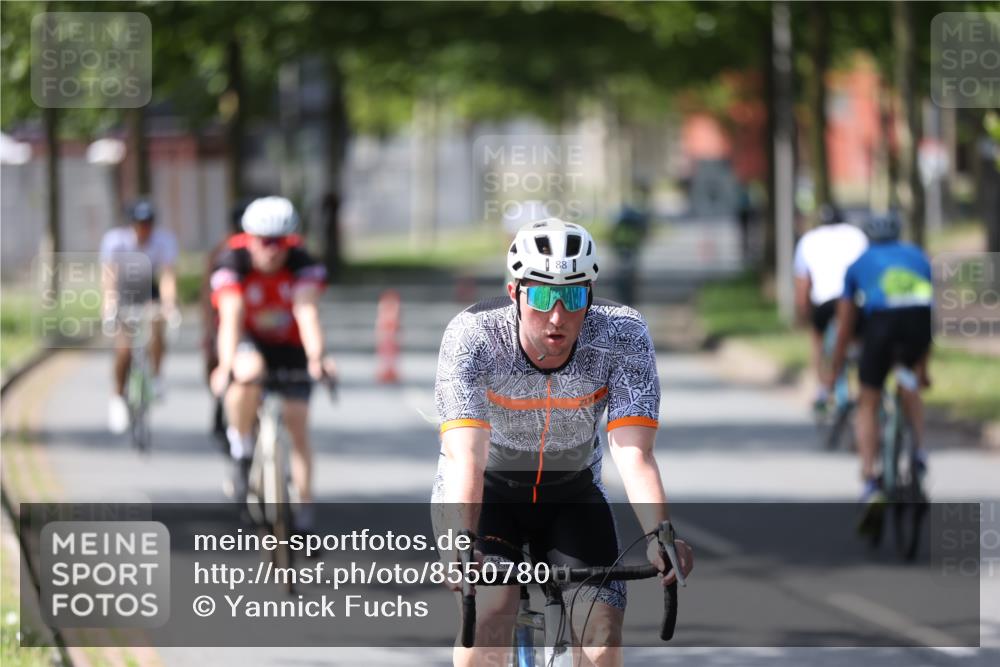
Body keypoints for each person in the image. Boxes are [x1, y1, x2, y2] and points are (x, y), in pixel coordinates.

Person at [432, 218, 693, 667]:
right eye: (541, 296)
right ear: (514, 292)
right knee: (492, 613)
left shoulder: (622, 335)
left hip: (572, 495)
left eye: (572, 297)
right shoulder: (473, 336)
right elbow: (465, 458)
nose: (557, 316)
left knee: (602, 635)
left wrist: (659, 533)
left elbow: (634, 452)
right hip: (488, 495)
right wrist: (462, 539)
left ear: (590, 294)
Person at [208, 196, 335, 533]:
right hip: (250, 339)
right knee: (247, 373)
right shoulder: (231, 262)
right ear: (249, 238)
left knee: (297, 422)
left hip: (291, 344)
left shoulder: (302, 262)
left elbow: (307, 312)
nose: (273, 250)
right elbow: (231, 317)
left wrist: (317, 358)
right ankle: (242, 447)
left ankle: (304, 511)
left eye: (280, 242)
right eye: (264, 242)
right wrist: (225, 366)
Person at [828, 211, 933, 505]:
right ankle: (919, 452)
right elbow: (930, 311)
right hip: (918, 325)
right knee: (910, 382)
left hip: (882, 326)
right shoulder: (919, 257)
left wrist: (836, 365)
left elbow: (845, 325)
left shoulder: (858, 264)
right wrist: (924, 369)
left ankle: (869, 477)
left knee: (868, 401)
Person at [100, 198, 179, 434]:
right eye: (140, 223)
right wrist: (109, 305)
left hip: (148, 291)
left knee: (156, 325)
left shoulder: (163, 241)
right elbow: (109, 276)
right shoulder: (115, 241)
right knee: (123, 349)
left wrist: (169, 305)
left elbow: (167, 276)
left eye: (148, 223)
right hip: (124, 292)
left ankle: (156, 376)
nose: (144, 228)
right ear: (131, 224)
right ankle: (117, 396)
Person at [793, 203, 868, 412]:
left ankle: (822, 389)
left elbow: (803, 283)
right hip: (854, 301)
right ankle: (863, 380)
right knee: (859, 339)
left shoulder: (808, 240)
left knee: (817, 339)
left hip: (824, 302)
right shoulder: (856, 235)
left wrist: (803, 312)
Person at [610, 182, 651, 306]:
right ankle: (629, 296)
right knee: (629, 272)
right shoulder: (636, 217)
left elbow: (613, 234)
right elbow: (643, 232)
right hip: (629, 247)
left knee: (623, 272)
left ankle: (625, 296)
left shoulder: (622, 218)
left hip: (624, 248)